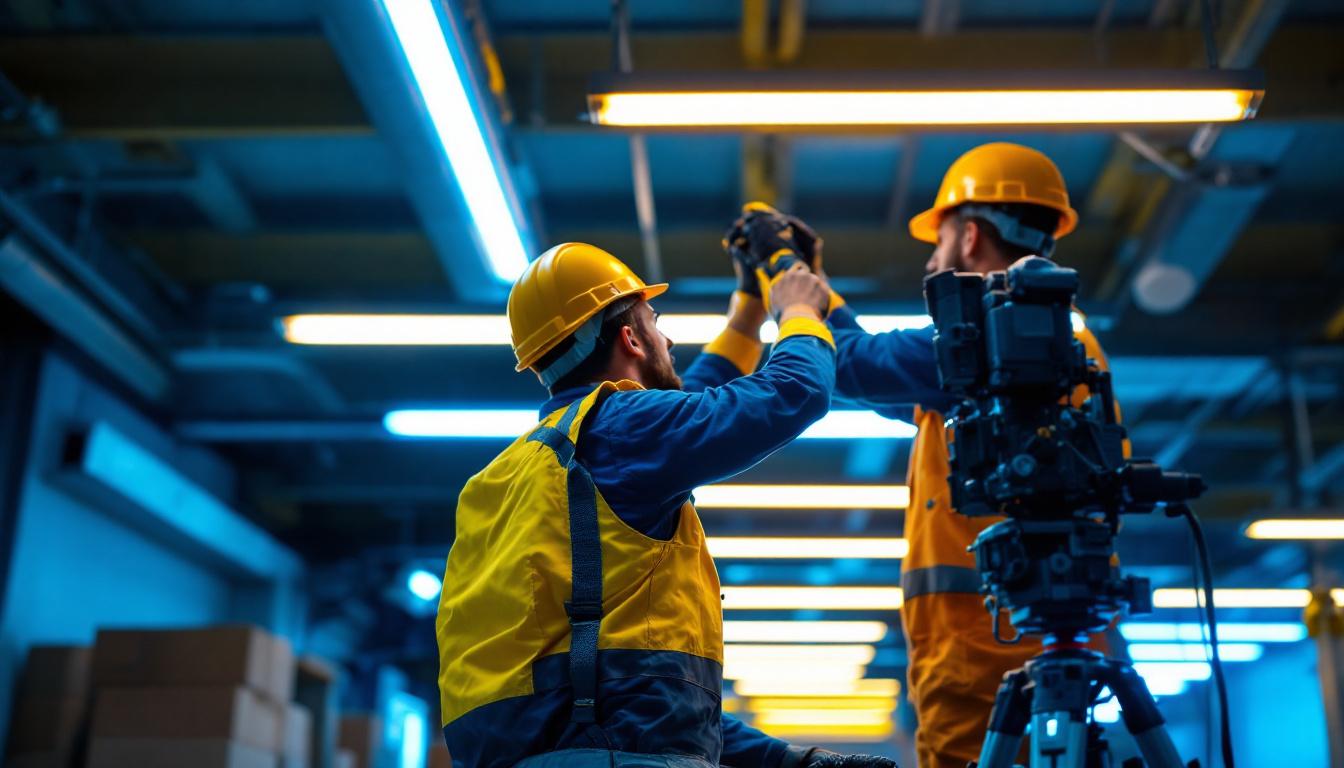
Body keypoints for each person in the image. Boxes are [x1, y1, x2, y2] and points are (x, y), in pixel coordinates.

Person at [435, 241, 897, 768]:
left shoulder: (523, 468)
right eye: (655, 321)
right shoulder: (623, 430)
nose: (669, 337)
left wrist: (795, 761)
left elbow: (654, 701)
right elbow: (794, 392)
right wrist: (798, 310)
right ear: (631, 338)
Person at [732, 143, 1118, 768]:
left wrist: (784, 272)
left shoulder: (996, 336)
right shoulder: (1049, 343)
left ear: (968, 237)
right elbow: (875, 368)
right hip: (1051, 646)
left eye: (937, 241)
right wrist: (808, 279)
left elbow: (849, 363)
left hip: (985, 666)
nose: (933, 259)